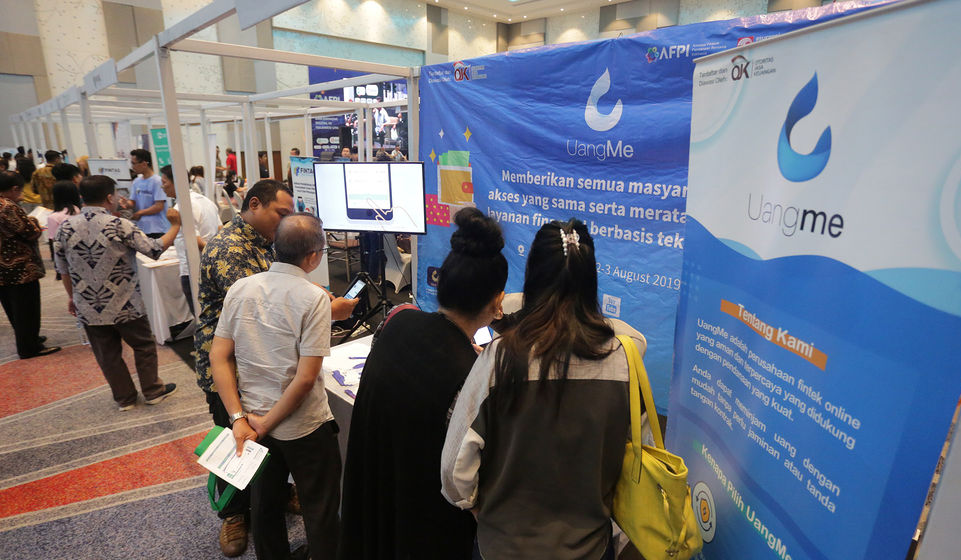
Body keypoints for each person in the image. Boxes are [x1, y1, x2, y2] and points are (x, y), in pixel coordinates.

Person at [441, 219, 635, 560]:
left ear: (532, 277)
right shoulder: (623, 359)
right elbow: (632, 460)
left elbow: (455, 470)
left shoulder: (500, 358)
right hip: (591, 546)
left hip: (504, 547)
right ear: (591, 281)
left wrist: (473, 507)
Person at [195, 179, 358, 557]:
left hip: (251, 420)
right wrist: (267, 424)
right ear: (315, 257)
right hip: (302, 426)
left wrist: (239, 419)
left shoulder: (242, 289)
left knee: (264, 504)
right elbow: (304, 380)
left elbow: (219, 357)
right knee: (319, 506)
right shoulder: (314, 298)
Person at [339, 207, 506, 559]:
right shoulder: (472, 375)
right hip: (424, 526)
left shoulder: (397, 323)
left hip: (371, 508)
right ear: (497, 303)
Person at [54, 175, 182, 410]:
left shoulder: (65, 228)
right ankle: (152, 391)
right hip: (126, 303)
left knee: (107, 354)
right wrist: (175, 226)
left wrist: (73, 297)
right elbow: (153, 249)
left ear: (82, 197)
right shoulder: (118, 225)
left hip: (89, 305)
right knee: (143, 346)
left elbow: (62, 269)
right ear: (109, 197)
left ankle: (125, 399)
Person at [0, 171, 60, 359]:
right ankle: (29, 346)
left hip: (3, 269)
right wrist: (34, 221)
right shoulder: (7, 207)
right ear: (14, 188)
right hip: (20, 268)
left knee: (12, 306)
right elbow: (30, 232)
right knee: (27, 308)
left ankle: (27, 338)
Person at [159, 165, 221, 314]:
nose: (162, 186)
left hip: (194, 271)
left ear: (176, 182)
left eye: (164, 182)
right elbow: (221, 231)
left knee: (203, 320)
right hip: (213, 268)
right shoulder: (206, 201)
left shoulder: (183, 207)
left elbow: (196, 242)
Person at [123, 149, 169, 238]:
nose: (132, 167)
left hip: (157, 228)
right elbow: (133, 202)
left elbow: (159, 206)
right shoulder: (136, 181)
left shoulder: (157, 181)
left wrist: (140, 213)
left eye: (134, 163)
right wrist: (127, 204)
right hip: (141, 228)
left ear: (144, 164)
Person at [46, 181, 82, 280]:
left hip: (65, 256)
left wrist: (57, 266)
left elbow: (53, 242)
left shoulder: (53, 217)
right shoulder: (77, 210)